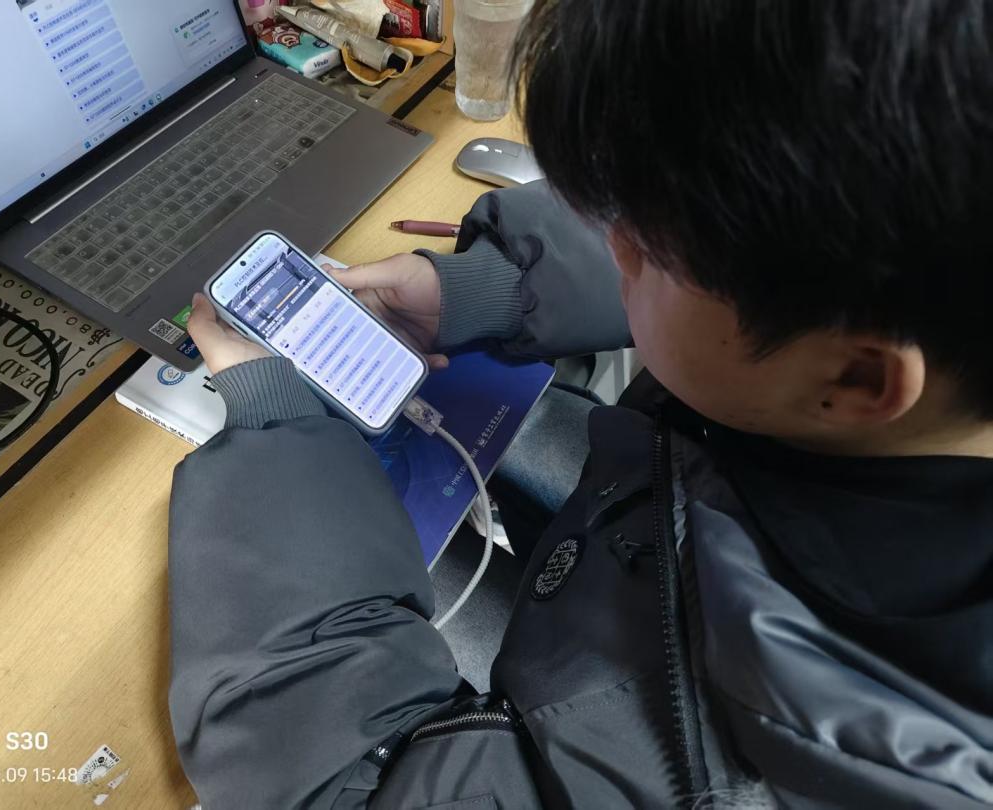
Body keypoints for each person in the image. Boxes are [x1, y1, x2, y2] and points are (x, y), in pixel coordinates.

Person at [166, 0, 993, 807]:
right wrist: (497, 287)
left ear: (853, 383)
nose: (612, 241)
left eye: (649, 246)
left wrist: (279, 431)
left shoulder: (758, 772)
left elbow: (344, 781)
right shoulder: (895, 348)